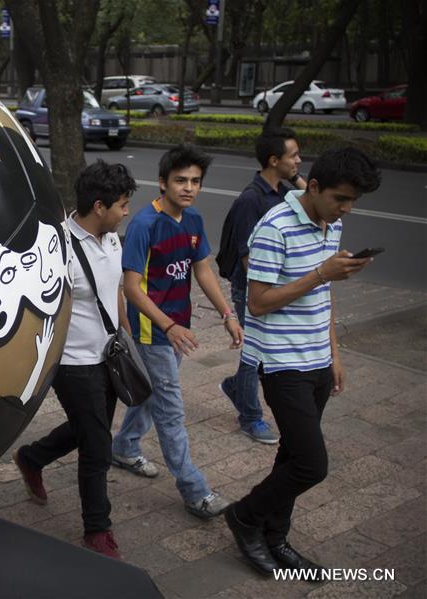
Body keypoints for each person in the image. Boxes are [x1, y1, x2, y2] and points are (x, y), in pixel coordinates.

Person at [224, 147, 381, 576]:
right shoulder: (274, 227)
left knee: (292, 457)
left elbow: (322, 296)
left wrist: (334, 353)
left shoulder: (332, 224)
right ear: (313, 187)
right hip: (281, 362)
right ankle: (244, 516)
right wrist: (320, 273)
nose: (346, 209)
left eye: (353, 202)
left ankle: (276, 537)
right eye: (341, 198)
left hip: (316, 358)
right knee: (312, 465)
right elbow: (257, 303)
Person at [12, 160, 136, 560]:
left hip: (108, 354)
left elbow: (113, 287)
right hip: (71, 361)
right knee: (98, 445)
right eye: (122, 204)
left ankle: (32, 457)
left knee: (90, 428)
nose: (126, 211)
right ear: (99, 206)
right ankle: (97, 530)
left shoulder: (112, 237)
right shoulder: (57, 247)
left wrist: (124, 332)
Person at [111, 145, 241, 520]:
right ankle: (195, 490)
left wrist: (227, 313)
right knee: (171, 409)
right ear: (163, 182)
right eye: (180, 180)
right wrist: (167, 325)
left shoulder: (193, 220)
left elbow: (202, 270)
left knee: (154, 395)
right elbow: (132, 287)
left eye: (195, 181)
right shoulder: (143, 225)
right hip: (153, 331)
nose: (188, 188)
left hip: (177, 328)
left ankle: (124, 446)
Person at [216, 128, 307, 444]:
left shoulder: (283, 193)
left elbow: (315, 204)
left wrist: (295, 179)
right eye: (293, 155)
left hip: (274, 289)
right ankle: (250, 417)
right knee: (255, 352)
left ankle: (235, 387)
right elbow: (248, 259)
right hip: (252, 290)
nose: (299, 160)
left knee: (263, 352)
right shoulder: (250, 201)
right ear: (273, 160)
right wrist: (271, 292)